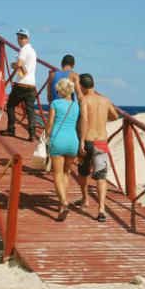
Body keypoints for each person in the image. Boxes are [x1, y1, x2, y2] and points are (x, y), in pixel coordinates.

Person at [77, 73, 118, 222]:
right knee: (101, 177)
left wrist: (81, 141)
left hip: (88, 141)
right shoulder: (105, 100)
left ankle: (85, 199)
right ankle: (101, 208)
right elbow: (115, 116)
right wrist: (102, 119)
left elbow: (85, 120)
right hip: (101, 142)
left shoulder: (84, 101)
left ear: (81, 86)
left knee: (82, 172)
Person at [45, 78, 80, 222]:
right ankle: (61, 206)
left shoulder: (55, 103)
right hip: (72, 142)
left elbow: (50, 123)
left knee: (57, 174)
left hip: (58, 140)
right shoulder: (76, 106)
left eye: (57, 89)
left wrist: (46, 137)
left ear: (60, 90)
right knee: (66, 173)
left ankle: (64, 202)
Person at [0, 28, 37, 141]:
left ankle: (11, 129)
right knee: (30, 109)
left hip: (21, 84)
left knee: (10, 105)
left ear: (28, 39)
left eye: (22, 38)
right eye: (19, 37)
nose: (20, 40)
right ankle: (32, 134)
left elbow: (19, 64)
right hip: (31, 85)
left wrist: (13, 65)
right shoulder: (33, 51)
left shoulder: (24, 49)